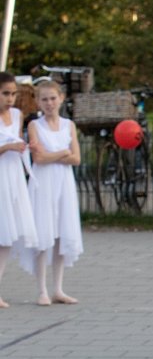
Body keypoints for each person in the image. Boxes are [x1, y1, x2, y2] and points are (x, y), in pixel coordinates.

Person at [21, 81, 82, 306]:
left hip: (63, 183)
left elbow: (76, 158)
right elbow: (39, 158)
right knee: (44, 235)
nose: (49, 103)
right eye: (44, 99)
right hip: (43, 183)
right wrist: (62, 153)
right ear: (38, 102)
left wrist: (53, 154)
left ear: (61, 98)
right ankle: (42, 289)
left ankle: (58, 288)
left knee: (61, 235)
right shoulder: (35, 126)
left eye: (52, 98)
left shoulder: (69, 125)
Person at [0, 71, 37, 307]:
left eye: (13, 93)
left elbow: (18, 141)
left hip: (11, 175)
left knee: (5, 237)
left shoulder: (17, 115)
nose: (10, 98)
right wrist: (8, 147)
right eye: (5, 93)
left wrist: (24, 146)